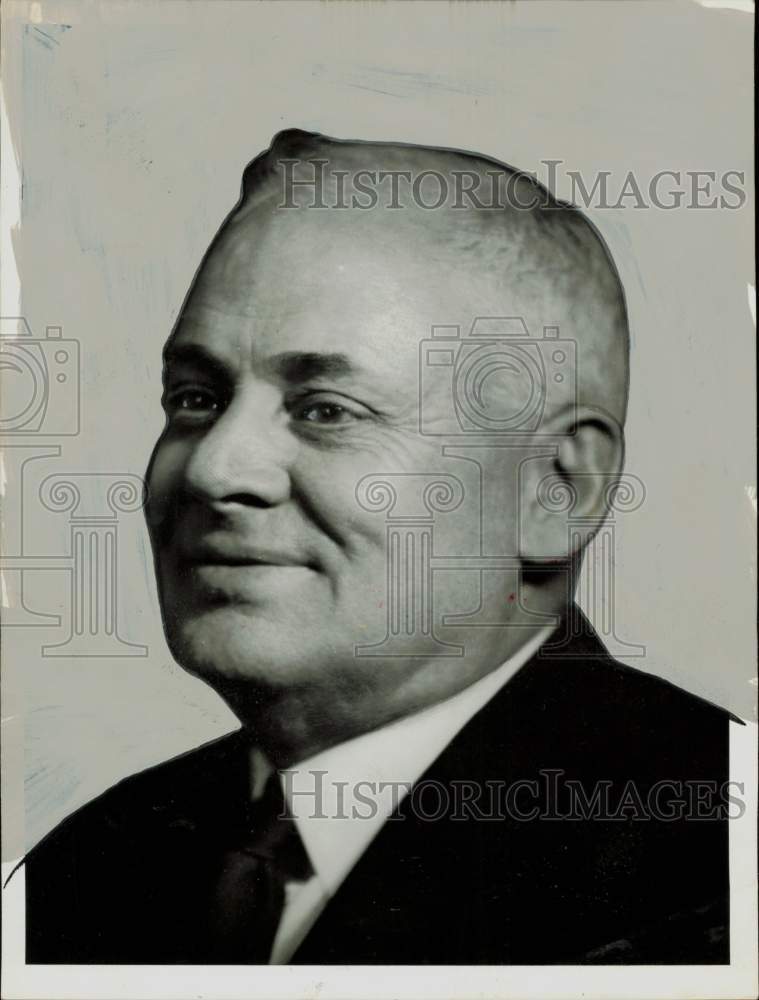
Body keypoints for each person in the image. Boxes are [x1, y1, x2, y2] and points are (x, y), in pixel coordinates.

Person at [20, 130, 733, 965]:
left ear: (554, 489)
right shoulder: (90, 865)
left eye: (326, 409)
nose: (215, 469)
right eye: (196, 397)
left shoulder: (709, 871)